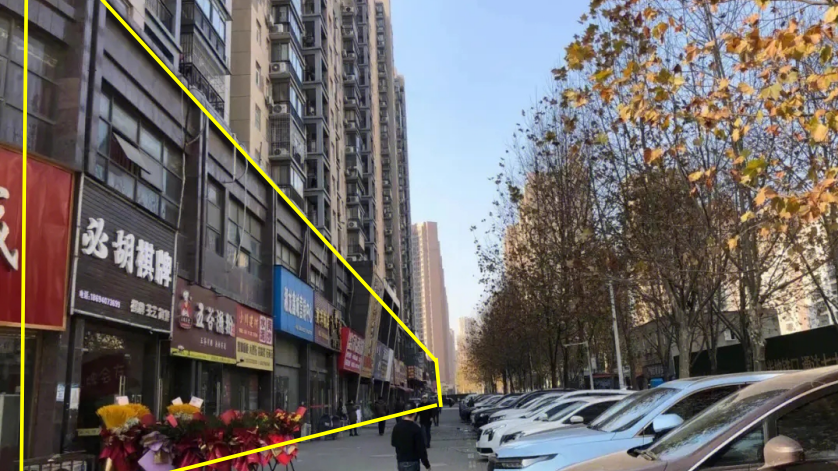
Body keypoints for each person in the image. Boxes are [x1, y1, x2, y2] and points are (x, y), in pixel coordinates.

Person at [391, 405, 431, 471]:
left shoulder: (397, 427)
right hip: (413, 461)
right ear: (415, 414)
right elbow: (421, 449)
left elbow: (393, 443)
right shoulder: (416, 429)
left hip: (401, 461)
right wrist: (427, 464)